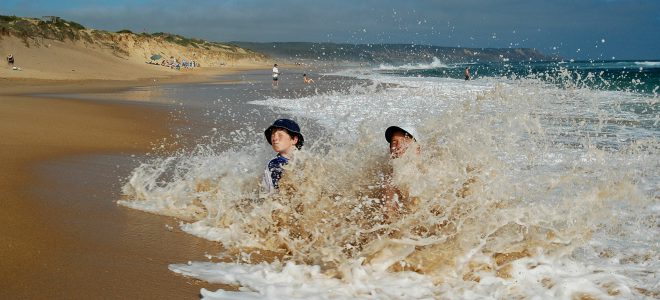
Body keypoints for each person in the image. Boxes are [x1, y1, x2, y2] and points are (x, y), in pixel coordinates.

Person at [382, 125, 421, 220]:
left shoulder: (429, 170)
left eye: (404, 141)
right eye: (394, 143)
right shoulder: (389, 177)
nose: (398, 146)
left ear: (417, 149)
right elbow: (388, 213)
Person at [262, 118, 304, 194]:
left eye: (280, 135)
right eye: (273, 134)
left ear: (294, 139)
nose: (274, 138)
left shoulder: (304, 160)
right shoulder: (274, 164)